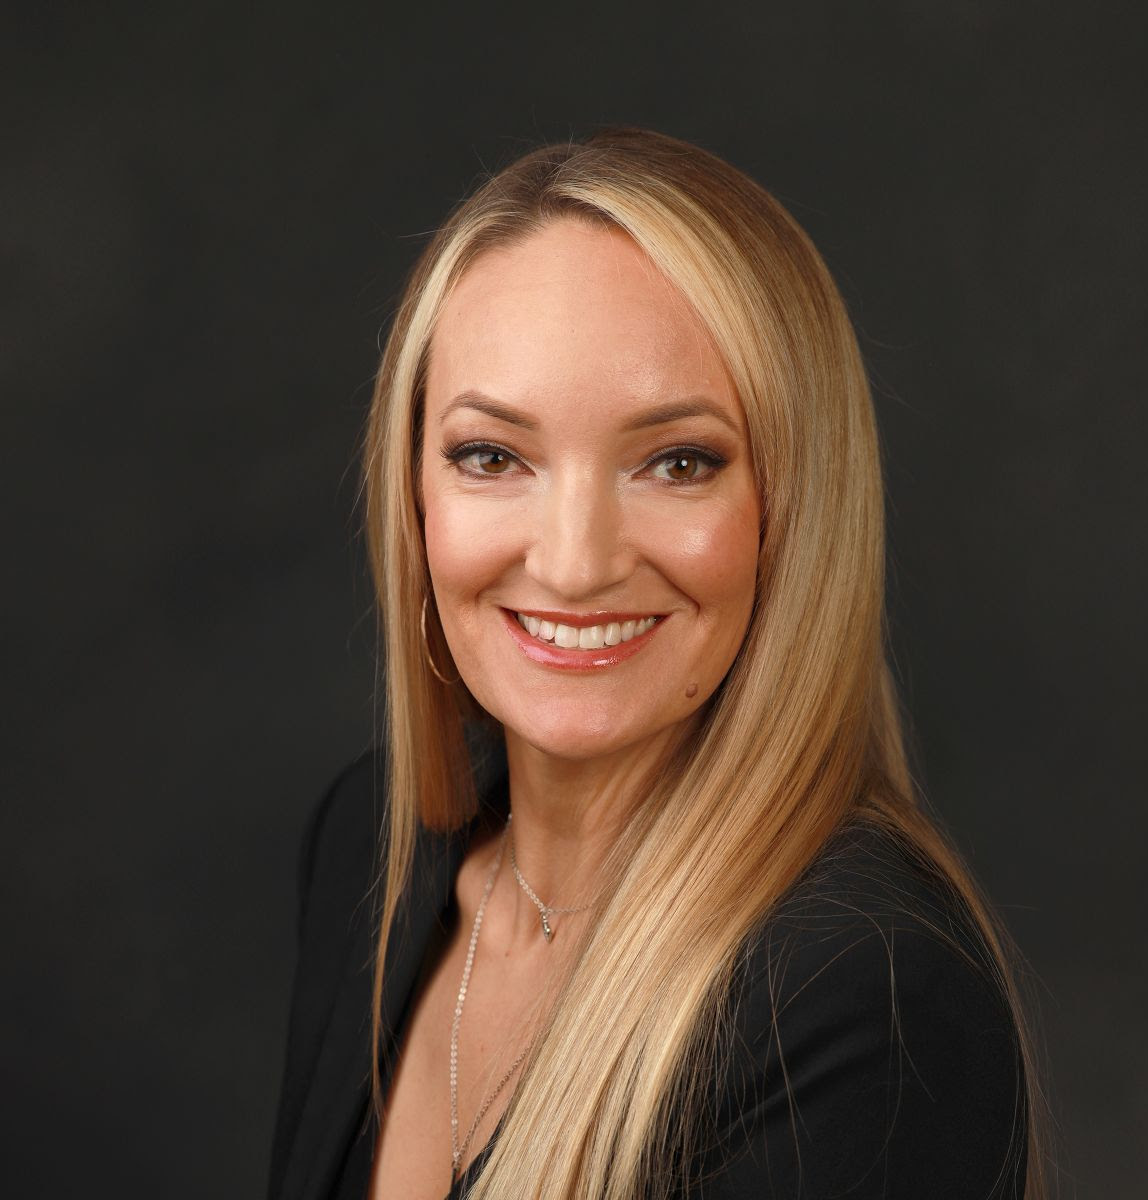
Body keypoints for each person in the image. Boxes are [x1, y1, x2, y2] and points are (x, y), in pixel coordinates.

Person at [268, 128, 1049, 1200]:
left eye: (677, 462)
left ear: (791, 511)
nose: (575, 562)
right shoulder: (374, 847)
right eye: (492, 456)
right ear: (414, 497)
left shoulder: (862, 995)